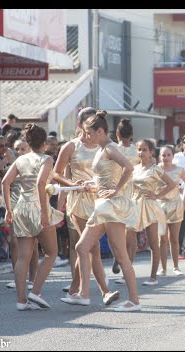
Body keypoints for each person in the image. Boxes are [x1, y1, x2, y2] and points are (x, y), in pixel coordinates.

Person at [74, 110, 141, 312]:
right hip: (103, 205)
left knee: (120, 255)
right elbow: (105, 178)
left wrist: (116, 189)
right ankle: (84, 294)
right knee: (81, 247)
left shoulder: (110, 148)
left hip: (111, 207)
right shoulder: (103, 149)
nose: (86, 137)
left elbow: (129, 168)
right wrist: (89, 184)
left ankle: (135, 301)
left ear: (100, 131)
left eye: (89, 133)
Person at [54, 107, 119, 306]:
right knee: (92, 248)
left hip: (101, 201)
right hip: (79, 201)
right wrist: (74, 185)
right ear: (80, 124)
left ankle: (75, 290)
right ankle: (104, 291)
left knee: (86, 247)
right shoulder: (71, 146)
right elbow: (56, 174)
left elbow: (119, 172)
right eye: (86, 124)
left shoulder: (106, 146)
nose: (90, 129)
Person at [2, 123, 64, 310]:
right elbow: (41, 183)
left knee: (23, 257)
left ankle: (21, 301)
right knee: (51, 253)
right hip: (38, 207)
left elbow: (5, 182)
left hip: (20, 207)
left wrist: (8, 209)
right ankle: (35, 292)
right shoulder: (47, 159)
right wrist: (45, 213)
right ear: (44, 142)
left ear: (28, 142)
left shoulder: (20, 159)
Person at [130, 139, 175, 286]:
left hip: (150, 207)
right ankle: (127, 274)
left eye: (144, 150)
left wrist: (157, 196)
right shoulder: (134, 168)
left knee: (153, 243)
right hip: (134, 205)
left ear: (150, 152)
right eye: (139, 149)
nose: (141, 152)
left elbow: (171, 184)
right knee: (129, 242)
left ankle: (153, 277)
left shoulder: (155, 169)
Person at [4, 139, 37, 291]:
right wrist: (7, 208)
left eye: (23, 148)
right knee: (14, 241)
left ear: (29, 148)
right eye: (17, 149)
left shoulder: (35, 163)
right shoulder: (13, 165)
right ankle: (17, 277)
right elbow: (5, 184)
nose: (19, 152)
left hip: (31, 205)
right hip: (14, 204)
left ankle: (33, 278)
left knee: (33, 244)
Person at [112, 118, 141, 278]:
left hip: (115, 193)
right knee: (131, 233)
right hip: (133, 194)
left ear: (117, 133)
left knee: (116, 231)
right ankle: (127, 268)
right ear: (131, 134)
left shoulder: (112, 149)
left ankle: (119, 257)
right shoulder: (137, 151)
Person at [157, 145, 185, 277]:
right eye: (163, 155)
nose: (166, 157)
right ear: (160, 156)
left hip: (176, 205)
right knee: (162, 239)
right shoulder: (156, 169)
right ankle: (163, 268)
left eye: (168, 154)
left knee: (174, 239)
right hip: (160, 206)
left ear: (172, 156)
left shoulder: (179, 169)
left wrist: (183, 200)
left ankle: (176, 267)